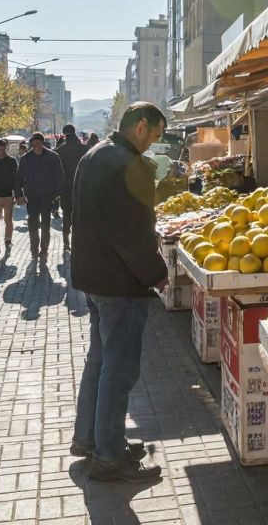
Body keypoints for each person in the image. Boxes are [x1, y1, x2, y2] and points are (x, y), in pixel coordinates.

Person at [70, 102, 169, 482]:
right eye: (156, 134)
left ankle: (92, 438)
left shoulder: (93, 154)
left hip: (94, 277)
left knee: (100, 361)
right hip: (119, 282)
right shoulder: (129, 164)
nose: (153, 144)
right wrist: (157, 273)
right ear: (141, 127)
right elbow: (129, 234)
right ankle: (109, 456)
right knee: (119, 369)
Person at [16, 132, 64, 262]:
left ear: (43, 143)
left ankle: (44, 250)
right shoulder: (26, 158)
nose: (37, 144)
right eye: (34, 142)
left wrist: (56, 194)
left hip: (47, 196)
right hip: (31, 196)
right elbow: (19, 178)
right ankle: (34, 249)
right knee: (32, 223)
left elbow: (59, 177)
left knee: (46, 224)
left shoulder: (53, 157)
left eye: (39, 142)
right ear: (31, 143)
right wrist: (19, 195)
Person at [56, 124, 86, 251]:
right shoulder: (84, 149)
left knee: (66, 214)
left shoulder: (60, 151)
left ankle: (66, 241)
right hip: (81, 187)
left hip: (65, 187)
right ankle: (78, 241)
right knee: (79, 215)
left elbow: (55, 171)